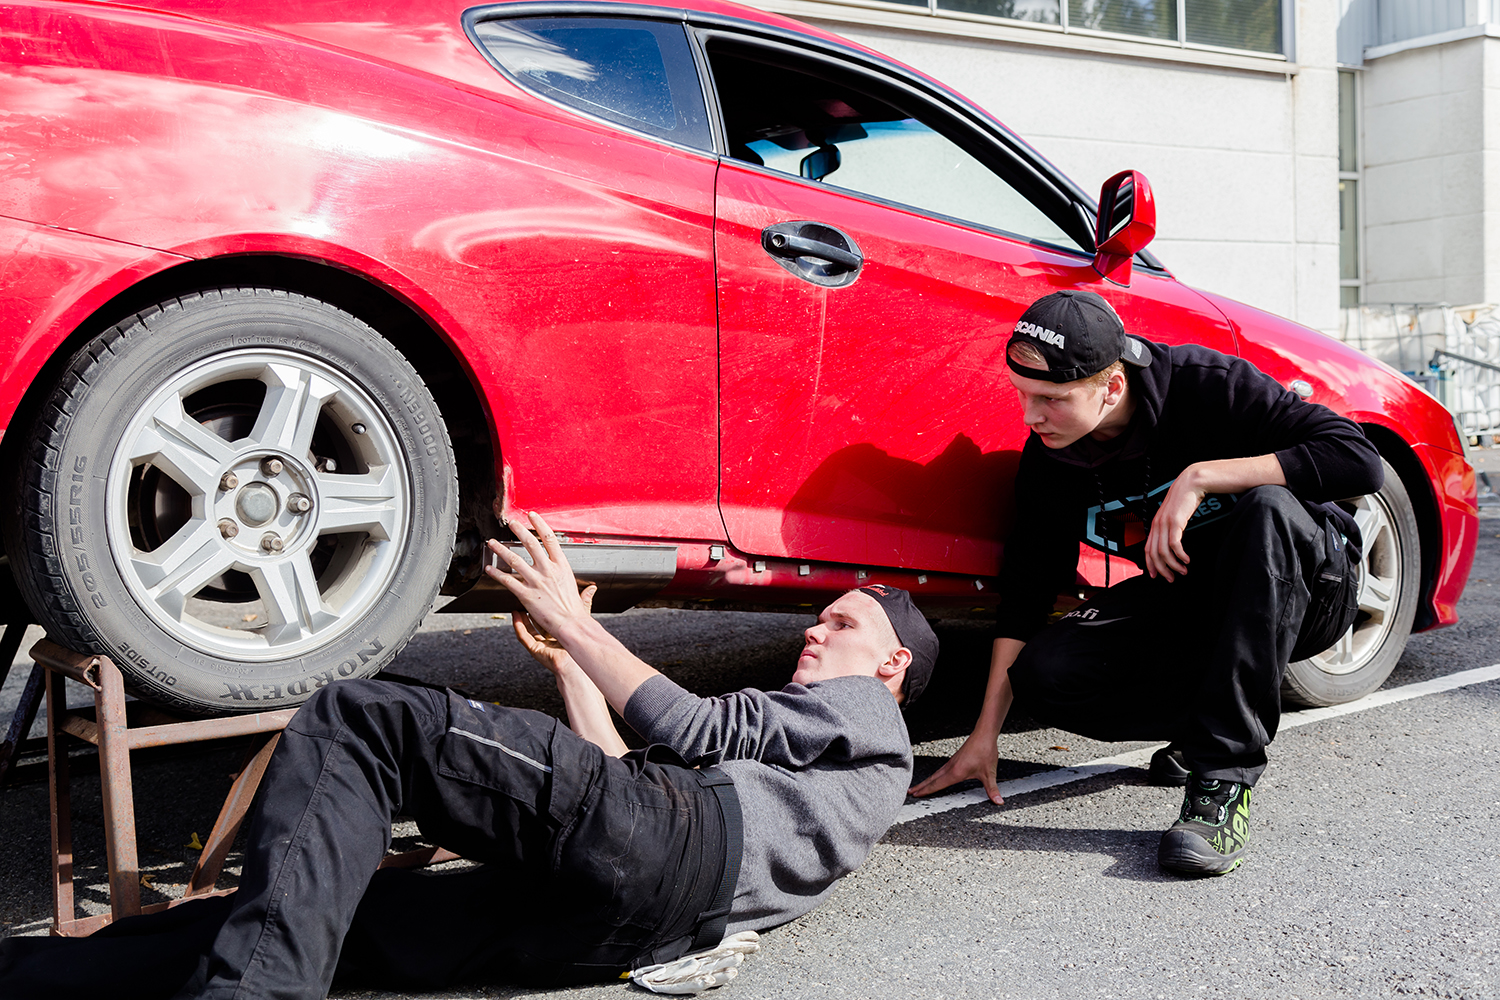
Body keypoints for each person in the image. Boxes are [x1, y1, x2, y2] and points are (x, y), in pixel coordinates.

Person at [0, 512, 937, 1000]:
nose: (817, 632)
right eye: (821, 617)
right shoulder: (827, 775)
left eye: (841, 623)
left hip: (664, 856)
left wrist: (575, 612)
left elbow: (683, 736)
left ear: (893, 661)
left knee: (364, 719)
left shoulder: (865, 712)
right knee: (329, 919)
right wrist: (568, 653)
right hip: (626, 919)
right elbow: (620, 776)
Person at [911, 289, 1382, 877]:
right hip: (1195, 595)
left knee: (1267, 507)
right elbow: (1026, 598)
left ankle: (1222, 784)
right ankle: (1199, 725)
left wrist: (1202, 478)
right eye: (1022, 395)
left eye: (1051, 399)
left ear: (1111, 387)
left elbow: (1359, 461)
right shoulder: (1050, 462)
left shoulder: (1206, 383)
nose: (1030, 418)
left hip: (1308, 586)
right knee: (1046, 673)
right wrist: (985, 736)